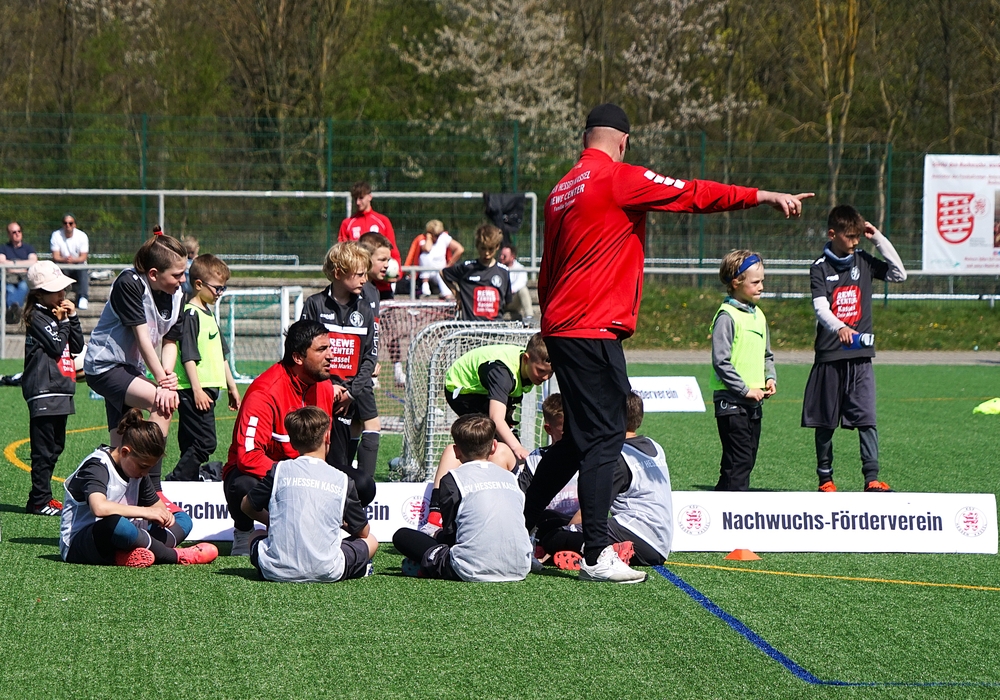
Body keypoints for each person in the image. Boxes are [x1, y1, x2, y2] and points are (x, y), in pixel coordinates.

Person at [525, 102, 813, 583]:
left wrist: (551, 320)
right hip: (592, 329)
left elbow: (547, 268)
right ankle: (596, 553)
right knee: (606, 437)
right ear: (623, 141)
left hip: (562, 326)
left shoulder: (561, 189)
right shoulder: (617, 177)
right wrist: (761, 195)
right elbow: (693, 193)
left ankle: (521, 530)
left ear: (585, 137)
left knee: (576, 440)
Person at [223, 320, 373, 556]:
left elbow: (324, 449)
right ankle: (244, 532)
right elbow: (248, 457)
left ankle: (324, 531)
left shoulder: (324, 386)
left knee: (363, 484)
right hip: (271, 477)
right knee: (241, 484)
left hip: (306, 473)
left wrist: (315, 479)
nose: (331, 356)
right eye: (322, 349)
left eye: (330, 348)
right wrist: (294, 478)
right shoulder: (264, 392)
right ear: (297, 357)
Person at [802, 205, 907, 492]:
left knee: (866, 417)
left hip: (860, 357)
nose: (855, 241)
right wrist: (840, 328)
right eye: (850, 236)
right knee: (825, 421)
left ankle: (871, 479)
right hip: (830, 356)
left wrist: (878, 238)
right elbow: (820, 308)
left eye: (858, 236)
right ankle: (826, 480)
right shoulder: (819, 267)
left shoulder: (863, 259)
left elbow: (899, 275)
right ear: (832, 234)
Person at [83, 234, 188, 490]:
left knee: (120, 445)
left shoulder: (178, 295)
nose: (183, 279)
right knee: (162, 404)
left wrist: (167, 375)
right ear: (153, 274)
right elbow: (142, 339)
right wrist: (163, 384)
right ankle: (154, 491)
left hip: (131, 369)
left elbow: (170, 341)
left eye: (184, 272)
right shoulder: (129, 283)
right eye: (177, 274)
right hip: (105, 367)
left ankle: (115, 495)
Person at [59, 409, 219, 567]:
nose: (145, 473)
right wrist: (146, 512)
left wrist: (164, 516)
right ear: (125, 452)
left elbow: (158, 507)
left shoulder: (138, 471)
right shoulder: (97, 466)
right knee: (116, 524)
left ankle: (129, 553)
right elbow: (99, 508)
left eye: (149, 468)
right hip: (81, 543)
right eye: (143, 466)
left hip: (129, 532)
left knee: (184, 520)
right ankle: (174, 555)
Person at [540, 392, 672, 577]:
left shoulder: (616, 457)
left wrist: (564, 534)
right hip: (660, 539)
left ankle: (603, 552)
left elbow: (591, 510)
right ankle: (602, 549)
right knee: (550, 518)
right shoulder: (654, 446)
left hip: (638, 535)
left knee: (553, 536)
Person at [241, 406, 378, 583]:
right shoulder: (342, 479)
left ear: (291, 442)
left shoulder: (280, 470)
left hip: (273, 570)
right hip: (327, 571)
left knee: (256, 534)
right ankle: (357, 568)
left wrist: (273, 522)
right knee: (371, 541)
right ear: (327, 436)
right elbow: (363, 532)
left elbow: (246, 506)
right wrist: (338, 522)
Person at [392, 413, 532, 582]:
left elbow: (452, 536)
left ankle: (428, 566)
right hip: (520, 567)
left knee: (402, 536)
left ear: (456, 451)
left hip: (469, 569)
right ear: (494, 446)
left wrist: (438, 536)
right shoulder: (510, 477)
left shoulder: (453, 479)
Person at [299, 242, 380, 496]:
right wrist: (327, 387)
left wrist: (351, 392)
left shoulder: (365, 309)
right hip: (322, 393)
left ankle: (356, 499)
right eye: (359, 274)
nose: (365, 280)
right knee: (318, 454)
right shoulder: (315, 305)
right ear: (338, 273)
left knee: (341, 460)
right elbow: (304, 349)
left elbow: (370, 356)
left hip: (349, 395)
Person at [163, 254, 241, 482]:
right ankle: (176, 479)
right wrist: (197, 390)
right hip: (193, 389)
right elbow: (188, 356)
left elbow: (221, 355)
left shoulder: (209, 314)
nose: (220, 293)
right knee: (206, 442)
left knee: (190, 442)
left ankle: (187, 482)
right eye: (217, 288)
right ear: (199, 284)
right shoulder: (191, 314)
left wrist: (232, 387)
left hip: (207, 389)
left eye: (223, 288)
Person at [21, 261, 84, 516]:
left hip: (61, 389)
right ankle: (40, 500)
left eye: (63, 289)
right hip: (43, 390)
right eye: (55, 291)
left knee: (56, 446)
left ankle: (39, 498)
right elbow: (57, 346)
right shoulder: (36, 316)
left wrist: (73, 318)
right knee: (43, 450)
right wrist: (64, 321)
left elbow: (76, 346)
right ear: (39, 294)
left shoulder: (58, 315)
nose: (62, 295)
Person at [711, 250, 776, 492]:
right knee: (739, 461)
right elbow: (721, 361)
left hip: (753, 403)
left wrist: (770, 377)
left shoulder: (759, 315)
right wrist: (744, 389)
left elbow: (767, 354)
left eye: (762, 281)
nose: (761, 287)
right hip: (731, 402)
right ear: (736, 282)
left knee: (744, 459)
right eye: (755, 282)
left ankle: (720, 503)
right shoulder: (726, 317)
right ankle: (734, 510)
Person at [339, 180, 402, 299]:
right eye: (355, 199)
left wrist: (397, 271)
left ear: (370, 197)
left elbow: (393, 250)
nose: (358, 202)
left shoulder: (382, 221)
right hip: (358, 286)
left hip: (382, 286)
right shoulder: (347, 224)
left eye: (361, 198)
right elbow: (342, 255)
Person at [442, 223, 511, 321]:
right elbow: (443, 273)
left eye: (490, 249)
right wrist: (457, 294)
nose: (487, 253)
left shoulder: (503, 272)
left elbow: (507, 301)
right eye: (483, 248)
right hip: (471, 327)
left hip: (495, 326)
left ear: (497, 247)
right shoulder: (467, 267)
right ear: (477, 246)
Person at [1, 221, 39, 323]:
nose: (17, 234)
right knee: (9, 290)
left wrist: (13, 263)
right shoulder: (3, 248)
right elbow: (2, 262)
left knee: (23, 287)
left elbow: (33, 261)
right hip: (8, 278)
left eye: (19, 231)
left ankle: (11, 310)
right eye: (14, 232)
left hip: (24, 278)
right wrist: (23, 265)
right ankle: (15, 310)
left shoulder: (28, 248)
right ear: (9, 234)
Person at [50, 214, 90, 310]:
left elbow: (83, 257)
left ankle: (83, 297)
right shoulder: (56, 235)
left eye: (70, 223)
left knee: (83, 268)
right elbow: (55, 256)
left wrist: (73, 260)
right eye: (65, 223)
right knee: (58, 269)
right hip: (63, 265)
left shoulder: (82, 236)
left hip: (78, 265)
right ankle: (59, 298)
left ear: (74, 224)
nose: (68, 225)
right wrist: (65, 260)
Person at [499, 244, 532, 320]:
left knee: (523, 290)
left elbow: (521, 282)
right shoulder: (497, 268)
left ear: (512, 257)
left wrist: (509, 291)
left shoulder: (520, 268)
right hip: (501, 300)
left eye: (504, 256)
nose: (501, 257)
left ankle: (529, 316)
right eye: (500, 255)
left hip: (512, 300)